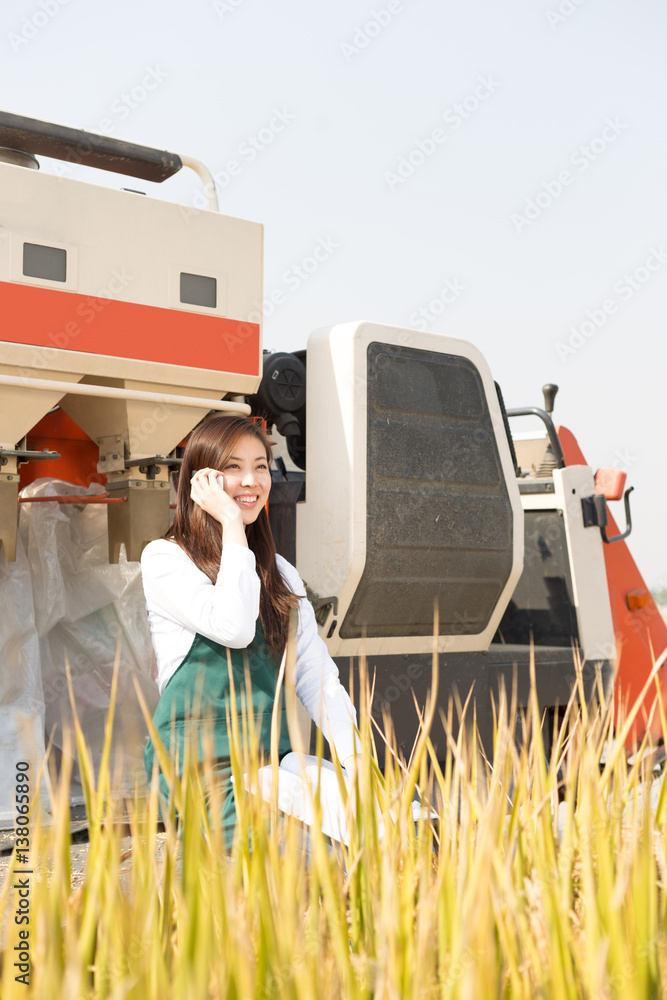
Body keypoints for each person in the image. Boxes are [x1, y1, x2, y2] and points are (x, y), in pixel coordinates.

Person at [141, 414, 361, 849]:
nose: (251, 480)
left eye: (260, 466)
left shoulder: (279, 572)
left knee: (402, 830)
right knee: (322, 861)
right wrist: (231, 523)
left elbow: (317, 676)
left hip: (272, 765)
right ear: (201, 478)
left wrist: (357, 763)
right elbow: (234, 627)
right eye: (233, 467)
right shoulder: (165, 559)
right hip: (204, 777)